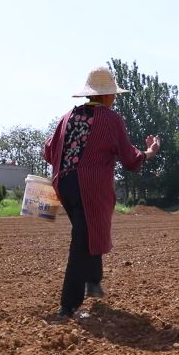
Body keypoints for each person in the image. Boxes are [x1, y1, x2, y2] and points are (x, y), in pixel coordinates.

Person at [43, 66, 161, 318]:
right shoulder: (110, 119)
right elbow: (130, 159)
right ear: (107, 96)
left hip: (64, 184)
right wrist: (150, 152)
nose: (115, 98)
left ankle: (94, 282)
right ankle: (68, 307)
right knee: (81, 242)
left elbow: (48, 151)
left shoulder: (66, 117)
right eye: (113, 94)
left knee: (88, 230)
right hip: (90, 186)